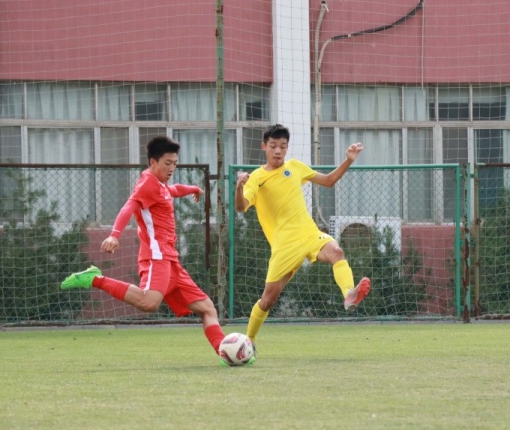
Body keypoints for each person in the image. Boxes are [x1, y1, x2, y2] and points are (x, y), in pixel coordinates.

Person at [61, 136, 230, 362]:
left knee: (207, 308)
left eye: (175, 163)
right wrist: (114, 235)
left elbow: (172, 190)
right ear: (153, 162)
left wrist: (193, 189)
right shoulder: (147, 183)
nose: (172, 168)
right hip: (156, 256)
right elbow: (129, 206)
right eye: (167, 163)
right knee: (148, 303)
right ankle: (95, 279)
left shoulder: (159, 184)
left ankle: (225, 352)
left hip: (170, 259)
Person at [235, 124, 371, 353]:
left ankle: (349, 294)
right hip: (284, 246)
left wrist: (349, 159)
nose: (278, 151)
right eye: (273, 146)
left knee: (336, 252)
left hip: (308, 233)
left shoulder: (295, 167)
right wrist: (239, 187)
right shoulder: (256, 178)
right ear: (264, 147)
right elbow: (241, 207)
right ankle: (249, 340)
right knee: (267, 300)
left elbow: (328, 181)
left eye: (283, 146)